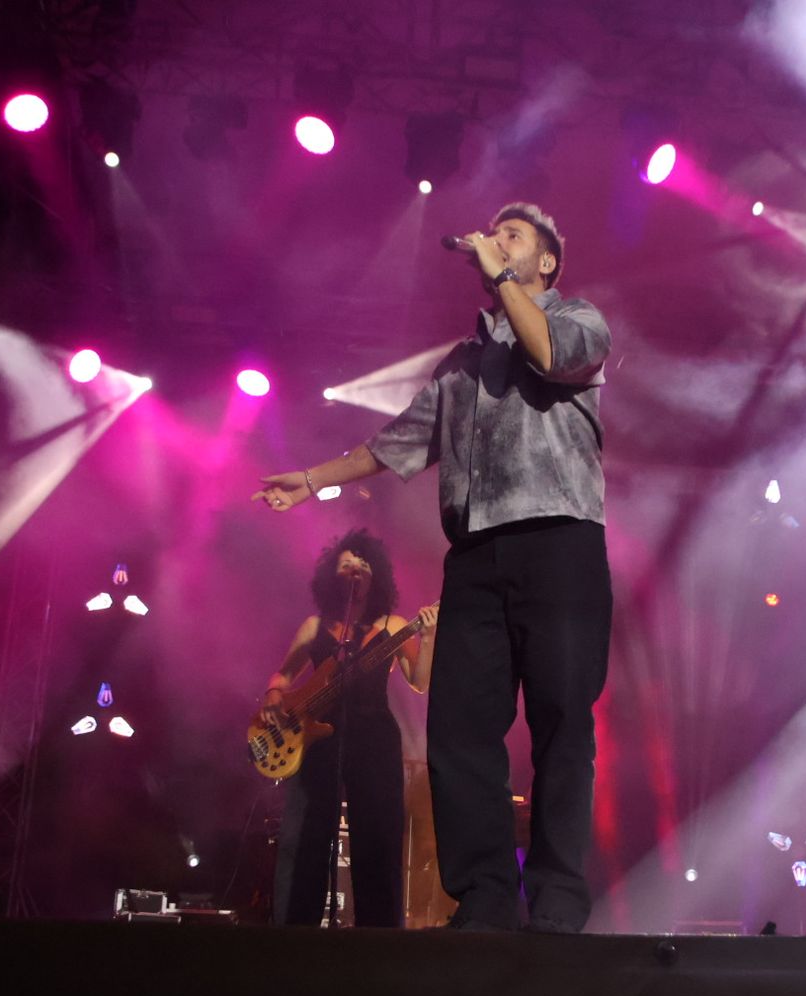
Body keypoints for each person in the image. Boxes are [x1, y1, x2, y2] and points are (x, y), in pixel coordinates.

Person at [254, 203, 612, 933]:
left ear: (545, 262)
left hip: (561, 541)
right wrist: (314, 477)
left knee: (562, 721)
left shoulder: (579, 319)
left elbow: (549, 355)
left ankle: (558, 903)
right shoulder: (462, 363)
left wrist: (503, 277)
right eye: (495, 233)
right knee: (459, 728)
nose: (495, 240)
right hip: (476, 555)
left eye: (514, 236)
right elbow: (397, 443)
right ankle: (483, 898)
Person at [261, 529, 438, 927]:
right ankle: (292, 929)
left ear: (377, 576)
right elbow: (282, 674)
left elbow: (419, 681)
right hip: (315, 741)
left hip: (374, 737)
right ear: (331, 575)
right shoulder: (314, 627)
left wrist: (426, 637)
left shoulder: (393, 625)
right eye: (346, 563)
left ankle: (378, 936)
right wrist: (274, 694)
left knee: (377, 837)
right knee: (304, 834)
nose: (355, 567)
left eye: (363, 562)